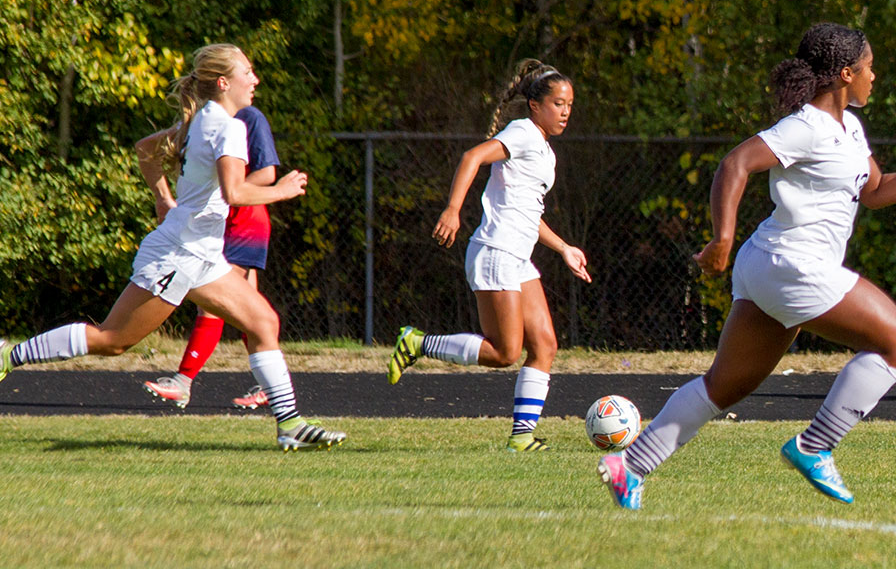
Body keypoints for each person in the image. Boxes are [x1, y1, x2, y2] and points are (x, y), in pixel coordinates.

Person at [596, 23, 896, 509]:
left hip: (771, 267)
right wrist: (721, 239)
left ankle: (630, 467)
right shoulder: (806, 125)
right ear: (847, 73)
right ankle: (815, 445)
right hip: (792, 263)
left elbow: (874, 192)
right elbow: (735, 164)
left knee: (723, 387)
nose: (876, 76)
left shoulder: (849, 127)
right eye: (871, 67)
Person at [0, 43, 346, 452]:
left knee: (263, 323)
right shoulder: (228, 126)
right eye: (248, 72)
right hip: (178, 255)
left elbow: (145, 150)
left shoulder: (203, 119)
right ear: (223, 82)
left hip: (201, 255)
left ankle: (289, 424)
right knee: (113, 340)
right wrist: (282, 191)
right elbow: (234, 192)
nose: (255, 80)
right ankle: (10, 355)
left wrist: (164, 199)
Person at [386, 58, 591, 452]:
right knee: (504, 352)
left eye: (570, 105)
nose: (566, 111)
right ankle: (417, 343)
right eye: (558, 103)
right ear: (535, 106)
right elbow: (472, 157)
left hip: (517, 256)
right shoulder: (524, 132)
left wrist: (564, 247)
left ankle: (521, 437)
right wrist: (452, 209)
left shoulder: (545, 151)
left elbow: (529, 215)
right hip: (496, 251)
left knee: (545, 345)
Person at [141, 105, 279, 410]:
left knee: (214, 306)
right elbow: (145, 149)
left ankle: (183, 381)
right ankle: (272, 386)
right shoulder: (201, 121)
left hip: (244, 224)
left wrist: (227, 192)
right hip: (214, 224)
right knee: (250, 312)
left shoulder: (247, 117)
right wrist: (164, 196)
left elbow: (267, 174)